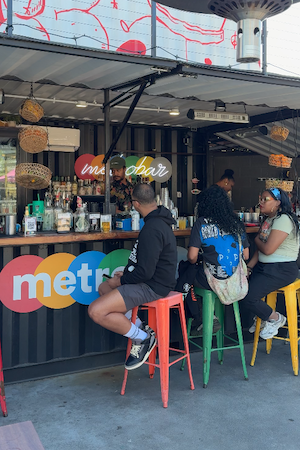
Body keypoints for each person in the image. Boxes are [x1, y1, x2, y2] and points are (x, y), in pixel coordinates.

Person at [88, 183, 177, 370]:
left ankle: (142, 338)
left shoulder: (152, 228)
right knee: (104, 288)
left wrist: (119, 280)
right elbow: (145, 265)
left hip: (152, 286)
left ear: (135, 204)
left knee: (95, 311)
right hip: (147, 280)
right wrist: (126, 274)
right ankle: (139, 326)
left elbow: (145, 272)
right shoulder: (158, 221)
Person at [187, 185, 249, 332]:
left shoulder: (201, 223)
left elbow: (191, 257)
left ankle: (202, 316)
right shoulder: (236, 223)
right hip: (235, 281)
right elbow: (246, 255)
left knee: (186, 275)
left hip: (211, 282)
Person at [241, 187, 299, 340]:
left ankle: (274, 318)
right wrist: (249, 267)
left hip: (281, 269)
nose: (260, 202)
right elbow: (260, 250)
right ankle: (261, 316)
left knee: (248, 297)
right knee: (241, 289)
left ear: (277, 203)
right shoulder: (269, 220)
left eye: (265, 199)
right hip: (265, 268)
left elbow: (267, 249)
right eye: (260, 198)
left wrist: (256, 240)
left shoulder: (283, 220)